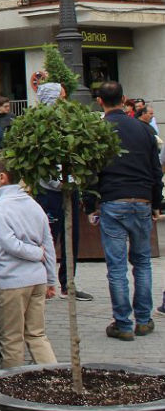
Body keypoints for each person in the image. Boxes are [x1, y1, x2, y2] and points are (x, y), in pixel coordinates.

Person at [87, 81, 163, 341]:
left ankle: (123, 323)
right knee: (142, 263)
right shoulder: (144, 130)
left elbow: (90, 171)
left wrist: (90, 205)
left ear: (100, 102)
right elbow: (156, 171)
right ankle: (143, 319)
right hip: (141, 200)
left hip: (113, 201)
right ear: (125, 99)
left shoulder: (98, 130)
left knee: (117, 266)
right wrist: (156, 203)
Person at [0, 151, 58, 369]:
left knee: (12, 339)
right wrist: (51, 279)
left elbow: (10, 244)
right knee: (36, 335)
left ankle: (12, 388)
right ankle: (53, 377)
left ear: (2, 177)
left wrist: (37, 253)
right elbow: (49, 243)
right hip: (37, 278)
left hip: (12, 281)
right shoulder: (33, 204)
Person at [31, 83, 91, 301]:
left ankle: (68, 283)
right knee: (46, 238)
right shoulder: (39, 125)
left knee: (71, 237)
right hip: (49, 192)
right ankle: (44, 283)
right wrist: (58, 182)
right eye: (62, 97)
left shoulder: (68, 123)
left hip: (69, 189)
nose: (65, 101)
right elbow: (41, 162)